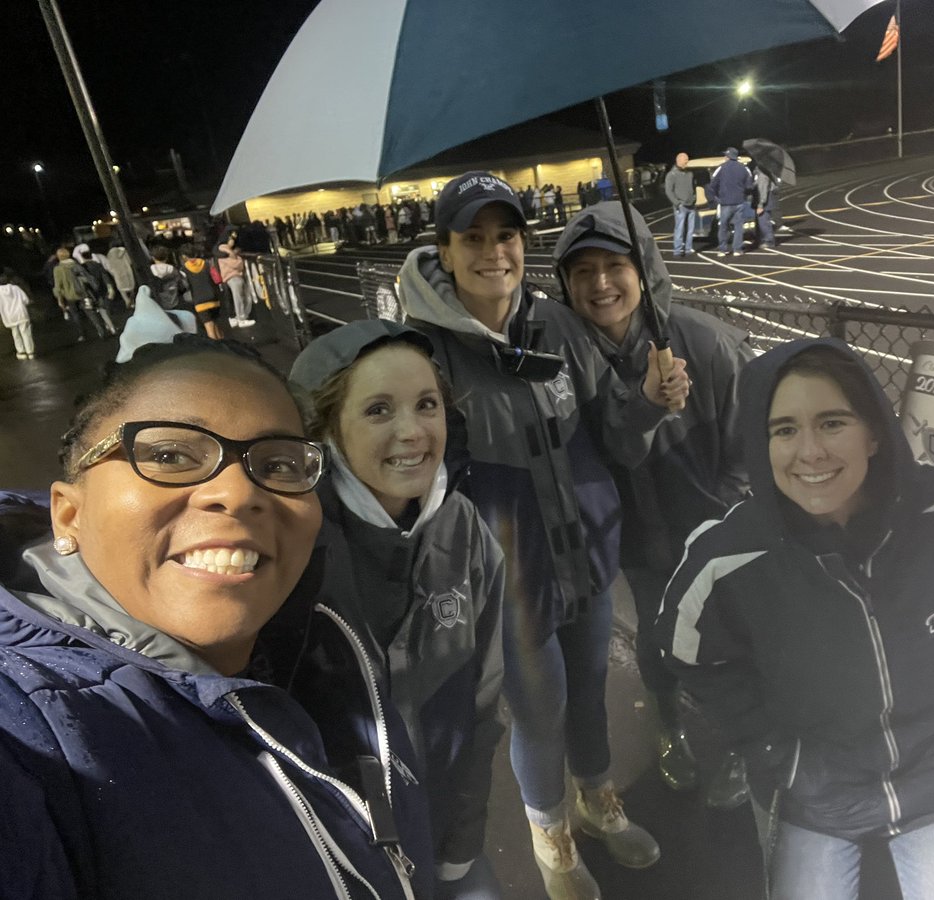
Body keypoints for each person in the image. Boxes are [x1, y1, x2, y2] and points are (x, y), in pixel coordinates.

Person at [0, 334, 434, 899]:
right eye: (170, 456)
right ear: (68, 513)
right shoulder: (29, 731)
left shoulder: (324, 646)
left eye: (277, 463)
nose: (237, 491)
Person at [396, 171, 689, 900]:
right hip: (511, 573)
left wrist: (649, 404)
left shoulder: (557, 324)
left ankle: (598, 800)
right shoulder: (422, 351)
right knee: (537, 710)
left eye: (507, 235)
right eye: (474, 237)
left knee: (590, 689)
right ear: (444, 248)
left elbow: (614, 439)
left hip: (587, 556)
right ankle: (550, 838)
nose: (494, 253)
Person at [657, 338, 934, 900]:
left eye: (832, 423)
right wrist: (775, 750)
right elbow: (687, 653)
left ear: (874, 431)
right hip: (817, 790)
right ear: (759, 443)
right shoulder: (728, 560)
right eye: (783, 430)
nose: (810, 452)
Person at [289, 320, 506, 900]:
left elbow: (483, 701)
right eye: (379, 410)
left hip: (442, 824)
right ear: (327, 429)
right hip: (344, 850)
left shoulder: (465, 529)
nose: (413, 432)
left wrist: (463, 842)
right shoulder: (296, 544)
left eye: (427, 404)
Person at [553, 201, 753, 803]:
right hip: (635, 538)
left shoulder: (706, 341)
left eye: (616, 264)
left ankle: (749, 741)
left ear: (646, 268)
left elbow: (749, 442)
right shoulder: (563, 359)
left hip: (712, 529)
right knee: (656, 635)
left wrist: (729, 512)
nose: (601, 284)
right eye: (582, 271)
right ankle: (669, 726)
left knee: (736, 633)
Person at [51, 247, 106, 341]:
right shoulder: (76, 265)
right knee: (90, 312)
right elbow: (86, 277)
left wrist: (59, 299)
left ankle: (83, 334)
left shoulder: (58, 269)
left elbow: (58, 285)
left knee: (75, 315)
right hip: (83, 292)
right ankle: (101, 330)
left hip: (69, 295)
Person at [706, 148, 753, 257]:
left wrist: (716, 198)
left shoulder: (721, 168)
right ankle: (737, 249)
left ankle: (722, 249)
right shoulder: (744, 168)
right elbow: (749, 185)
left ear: (728, 157)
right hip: (739, 201)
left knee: (723, 226)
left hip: (725, 203)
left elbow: (712, 185)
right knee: (738, 227)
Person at [179, 244, 225, 340]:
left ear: (184, 256)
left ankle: (217, 351)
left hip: (200, 302)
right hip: (214, 298)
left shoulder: (183, 270)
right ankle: (224, 345)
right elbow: (218, 279)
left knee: (209, 328)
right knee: (216, 325)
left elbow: (184, 286)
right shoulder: (207, 264)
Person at [215, 228, 255, 327]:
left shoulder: (223, 249)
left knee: (239, 297)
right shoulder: (224, 249)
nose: (233, 240)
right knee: (239, 298)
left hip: (231, 277)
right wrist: (239, 259)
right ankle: (242, 318)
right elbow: (236, 264)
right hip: (233, 276)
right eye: (232, 237)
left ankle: (239, 317)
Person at [665, 152, 699, 257]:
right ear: (679, 160)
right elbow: (669, 191)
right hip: (681, 206)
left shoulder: (690, 173)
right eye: (686, 160)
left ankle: (688, 248)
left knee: (690, 229)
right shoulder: (672, 175)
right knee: (679, 229)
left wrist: (694, 198)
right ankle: (677, 250)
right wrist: (677, 203)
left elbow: (693, 187)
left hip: (691, 205)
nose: (687, 162)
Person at [0, 269, 35, 360]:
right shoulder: (16, 288)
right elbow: (25, 300)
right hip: (21, 313)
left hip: (9, 316)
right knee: (26, 332)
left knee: (15, 333)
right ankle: (30, 352)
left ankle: (21, 351)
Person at [752, 164, 777, 251]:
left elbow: (763, 192)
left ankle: (769, 241)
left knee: (764, 223)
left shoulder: (762, 176)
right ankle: (760, 240)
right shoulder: (763, 174)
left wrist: (760, 205)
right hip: (764, 202)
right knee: (761, 222)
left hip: (764, 203)